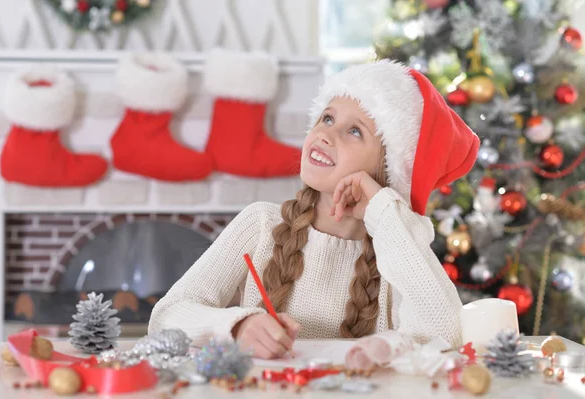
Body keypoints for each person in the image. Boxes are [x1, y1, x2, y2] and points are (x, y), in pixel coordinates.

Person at [148, 49, 480, 360]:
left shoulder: (396, 249)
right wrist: (237, 327)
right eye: (327, 118)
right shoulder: (261, 224)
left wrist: (384, 212)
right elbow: (166, 317)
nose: (325, 134)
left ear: (388, 169)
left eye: (354, 131)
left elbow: (443, 338)